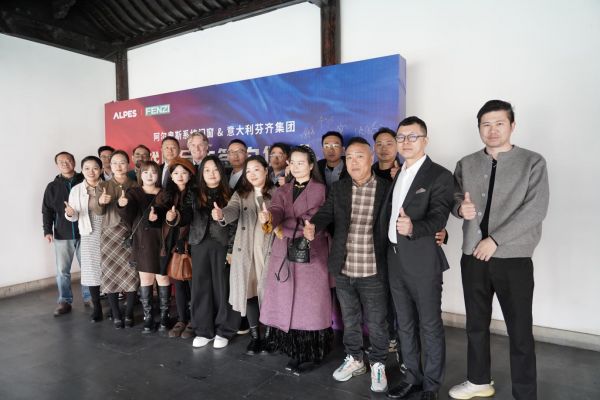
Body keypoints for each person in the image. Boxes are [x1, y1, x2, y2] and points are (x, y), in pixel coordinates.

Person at [448, 100, 549, 400]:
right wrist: (459, 208)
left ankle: (525, 394)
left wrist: (495, 240)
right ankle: (478, 381)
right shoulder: (466, 163)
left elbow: (535, 209)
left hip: (513, 258)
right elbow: (454, 196)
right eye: (486, 124)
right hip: (473, 256)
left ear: (512, 125)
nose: (492, 130)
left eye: (499, 123)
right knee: (475, 324)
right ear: (479, 128)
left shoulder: (533, 162)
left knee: (520, 330)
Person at [304, 137, 391, 393]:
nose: (353, 162)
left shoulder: (387, 188)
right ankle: (355, 358)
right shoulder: (340, 188)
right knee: (350, 319)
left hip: (374, 268)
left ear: (371, 158)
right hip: (343, 267)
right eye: (349, 157)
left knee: (377, 321)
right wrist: (313, 226)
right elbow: (326, 213)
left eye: (359, 156)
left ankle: (378, 363)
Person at [384, 117, 454, 400]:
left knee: (429, 324)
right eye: (401, 137)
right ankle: (412, 377)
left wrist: (414, 227)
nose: (406, 142)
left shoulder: (439, 175)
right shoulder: (398, 173)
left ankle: (431, 385)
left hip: (422, 261)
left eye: (413, 137)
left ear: (425, 140)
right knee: (404, 323)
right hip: (394, 258)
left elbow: (438, 216)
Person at [259, 145, 333, 374]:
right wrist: (269, 218)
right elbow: (277, 210)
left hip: (312, 252)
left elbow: (316, 218)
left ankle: (312, 353)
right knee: (287, 302)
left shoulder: (321, 190)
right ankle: (295, 351)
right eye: (293, 162)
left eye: (302, 162)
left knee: (309, 306)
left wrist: (284, 227)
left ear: (311, 165)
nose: (297, 167)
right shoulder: (282, 190)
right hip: (285, 252)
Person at [212, 155, 275, 355]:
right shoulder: (241, 193)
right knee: (249, 292)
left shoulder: (278, 192)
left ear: (266, 170)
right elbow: (232, 210)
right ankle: (256, 337)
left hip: (268, 251)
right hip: (245, 252)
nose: (252, 174)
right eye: (248, 171)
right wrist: (222, 214)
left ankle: (270, 336)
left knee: (270, 293)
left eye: (256, 169)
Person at [181, 155, 240, 349]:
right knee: (200, 287)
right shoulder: (193, 193)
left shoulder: (231, 193)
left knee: (223, 287)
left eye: (215, 169)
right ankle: (203, 330)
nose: (211, 174)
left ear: (221, 172)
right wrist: (175, 217)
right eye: (207, 170)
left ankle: (225, 330)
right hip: (199, 244)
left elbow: (236, 225)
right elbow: (186, 216)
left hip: (222, 245)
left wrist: (231, 249)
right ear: (201, 173)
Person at [118, 160, 170, 334]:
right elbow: (128, 217)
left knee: (162, 278)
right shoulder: (133, 193)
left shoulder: (164, 193)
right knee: (146, 279)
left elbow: (169, 215)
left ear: (158, 175)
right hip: (142, 241)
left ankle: (164, 316)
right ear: (140, 175)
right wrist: (122, 206)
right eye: (146, 172)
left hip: (161, 241)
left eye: (153, 172)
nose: (149, 175)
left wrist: (158, 217)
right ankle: (148, 317)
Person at [91, 150, 140, 329]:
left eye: (122, 163)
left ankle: (129, 313)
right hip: (109, 234)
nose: (119, 166)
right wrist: (101, 202)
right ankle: (116, 314)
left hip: (130, 233)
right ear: (110, 166)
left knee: (132, 274)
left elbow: (139, 210)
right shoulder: (103, 185)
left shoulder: (135, 185)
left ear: (128, 165)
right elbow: (98, 211)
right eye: (115, 163)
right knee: (110, 275)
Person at [42, 151, 91, 316]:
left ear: (74, 162)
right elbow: (47, 210)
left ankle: (89, 297)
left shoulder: (85, 181)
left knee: (87, 267)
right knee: (63, 270)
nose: (65, 163)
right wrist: (47, 230)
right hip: (62, 234)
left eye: (68, 160)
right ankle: (64, 300)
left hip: (85, 232)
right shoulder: (52, 186)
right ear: (57, 165)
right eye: (61, 161)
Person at [156, 156, 196, 339]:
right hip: (172, 245)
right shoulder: (165, 195)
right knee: (178, 283)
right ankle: (181, 319)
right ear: (171, 176)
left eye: (184, 172)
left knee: (193, 285)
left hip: (192, 244)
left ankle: (194, 320)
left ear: (190, 175)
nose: (180, 176)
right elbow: (158, 217)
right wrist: (157, 217)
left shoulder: (196, 194)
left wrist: (176, 218)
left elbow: (190, 216)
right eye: (176, 173)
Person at [64, 156, 104, 322]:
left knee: (110, 268)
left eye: (95, 168)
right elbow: (73, 216)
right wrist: (70, 213)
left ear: (101, 169)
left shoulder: (108, 186)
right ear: (82, 170)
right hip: (89, 231)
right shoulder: (76, 190)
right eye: (87, 168)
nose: (91, 171)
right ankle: (97, 308)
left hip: (108, 231)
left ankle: (115, 306)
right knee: (91, 271)